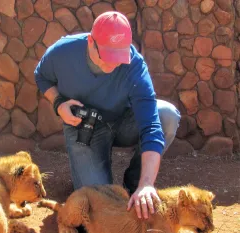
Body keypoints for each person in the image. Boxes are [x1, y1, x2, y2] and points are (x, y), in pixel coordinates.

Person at [34, 11, 181, 220]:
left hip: (124, 121)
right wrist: (59, 104)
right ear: (90, 41)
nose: (112, 65)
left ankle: (135, 185)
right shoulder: (62, 52)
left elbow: (151, 127)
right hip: (84, 126)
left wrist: (147, 184)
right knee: (99, 207)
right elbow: (42, 77)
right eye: (106, 56)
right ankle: (98, 174)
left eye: (118, 57)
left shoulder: (135, 65)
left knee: (167, 116)